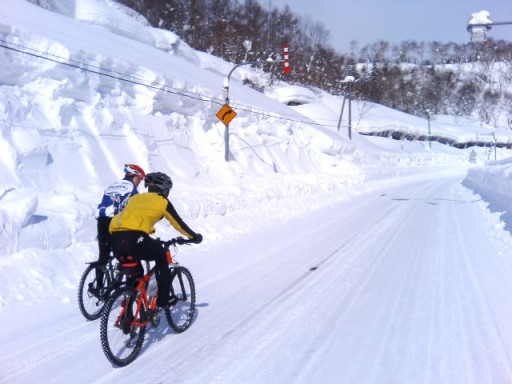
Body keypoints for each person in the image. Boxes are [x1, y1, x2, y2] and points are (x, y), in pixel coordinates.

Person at [109, 171, 202, 308]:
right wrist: (194, 237)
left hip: (116, 239)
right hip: (136, 238)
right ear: (165, 189)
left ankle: (128, 309)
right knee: (162, 257)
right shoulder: (162, 202)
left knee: (136, 273)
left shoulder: (134, 198)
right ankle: (163, 300)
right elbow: (178, 223)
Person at [93, 164, 146, 294]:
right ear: (133, 175)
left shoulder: (112, 185)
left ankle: (99, 287)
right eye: (139, 179)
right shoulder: (131, 188)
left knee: (103, 255)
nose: (139, 182)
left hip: (101, 219)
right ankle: (130, 284)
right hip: (114, 221)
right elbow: (134, 207)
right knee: (125, 250)